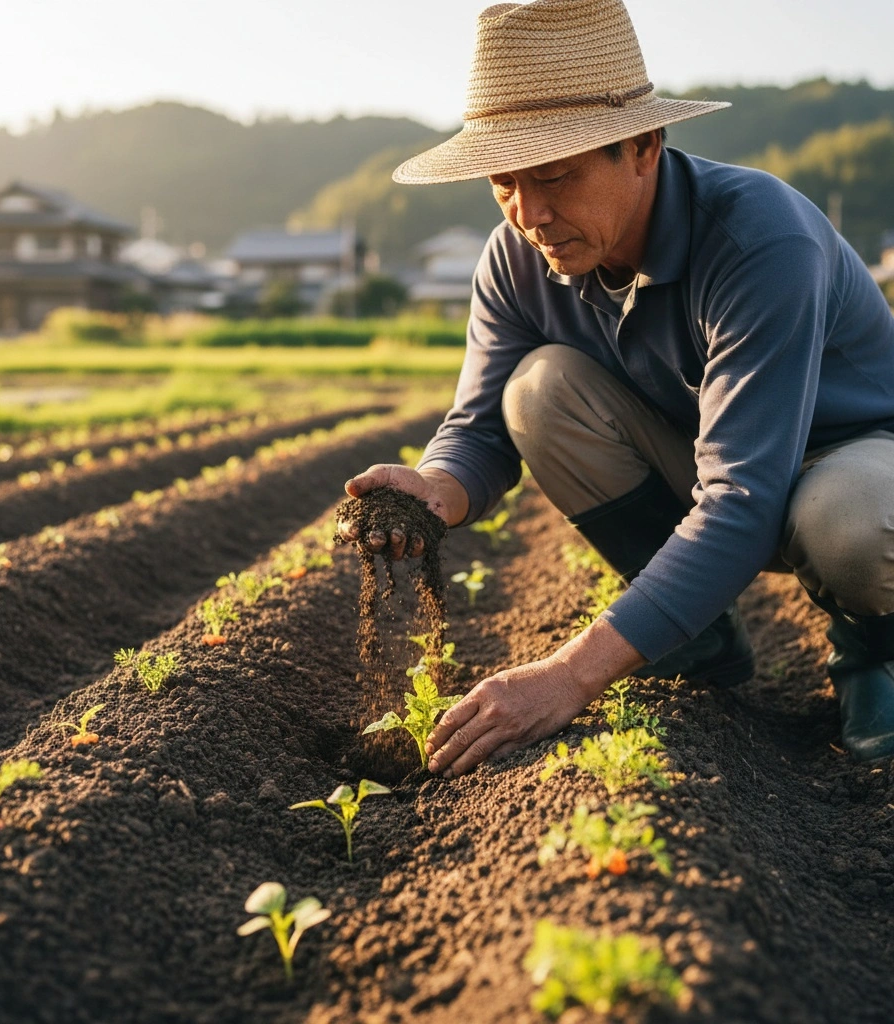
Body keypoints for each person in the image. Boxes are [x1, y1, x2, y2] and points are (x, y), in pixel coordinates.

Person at [337, 0, 894, 776]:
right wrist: (434, 491)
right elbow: (482, 428)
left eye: (555, 175)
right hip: (713, 466)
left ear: (642, 146)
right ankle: (694, 637)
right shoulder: (517, 258)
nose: (529, 213)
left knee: (854, 522)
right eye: (504, 182)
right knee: (537, 391)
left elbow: (742, 494)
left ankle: (876, 655)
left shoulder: (758, 239)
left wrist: (571, 675)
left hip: (850, 458)